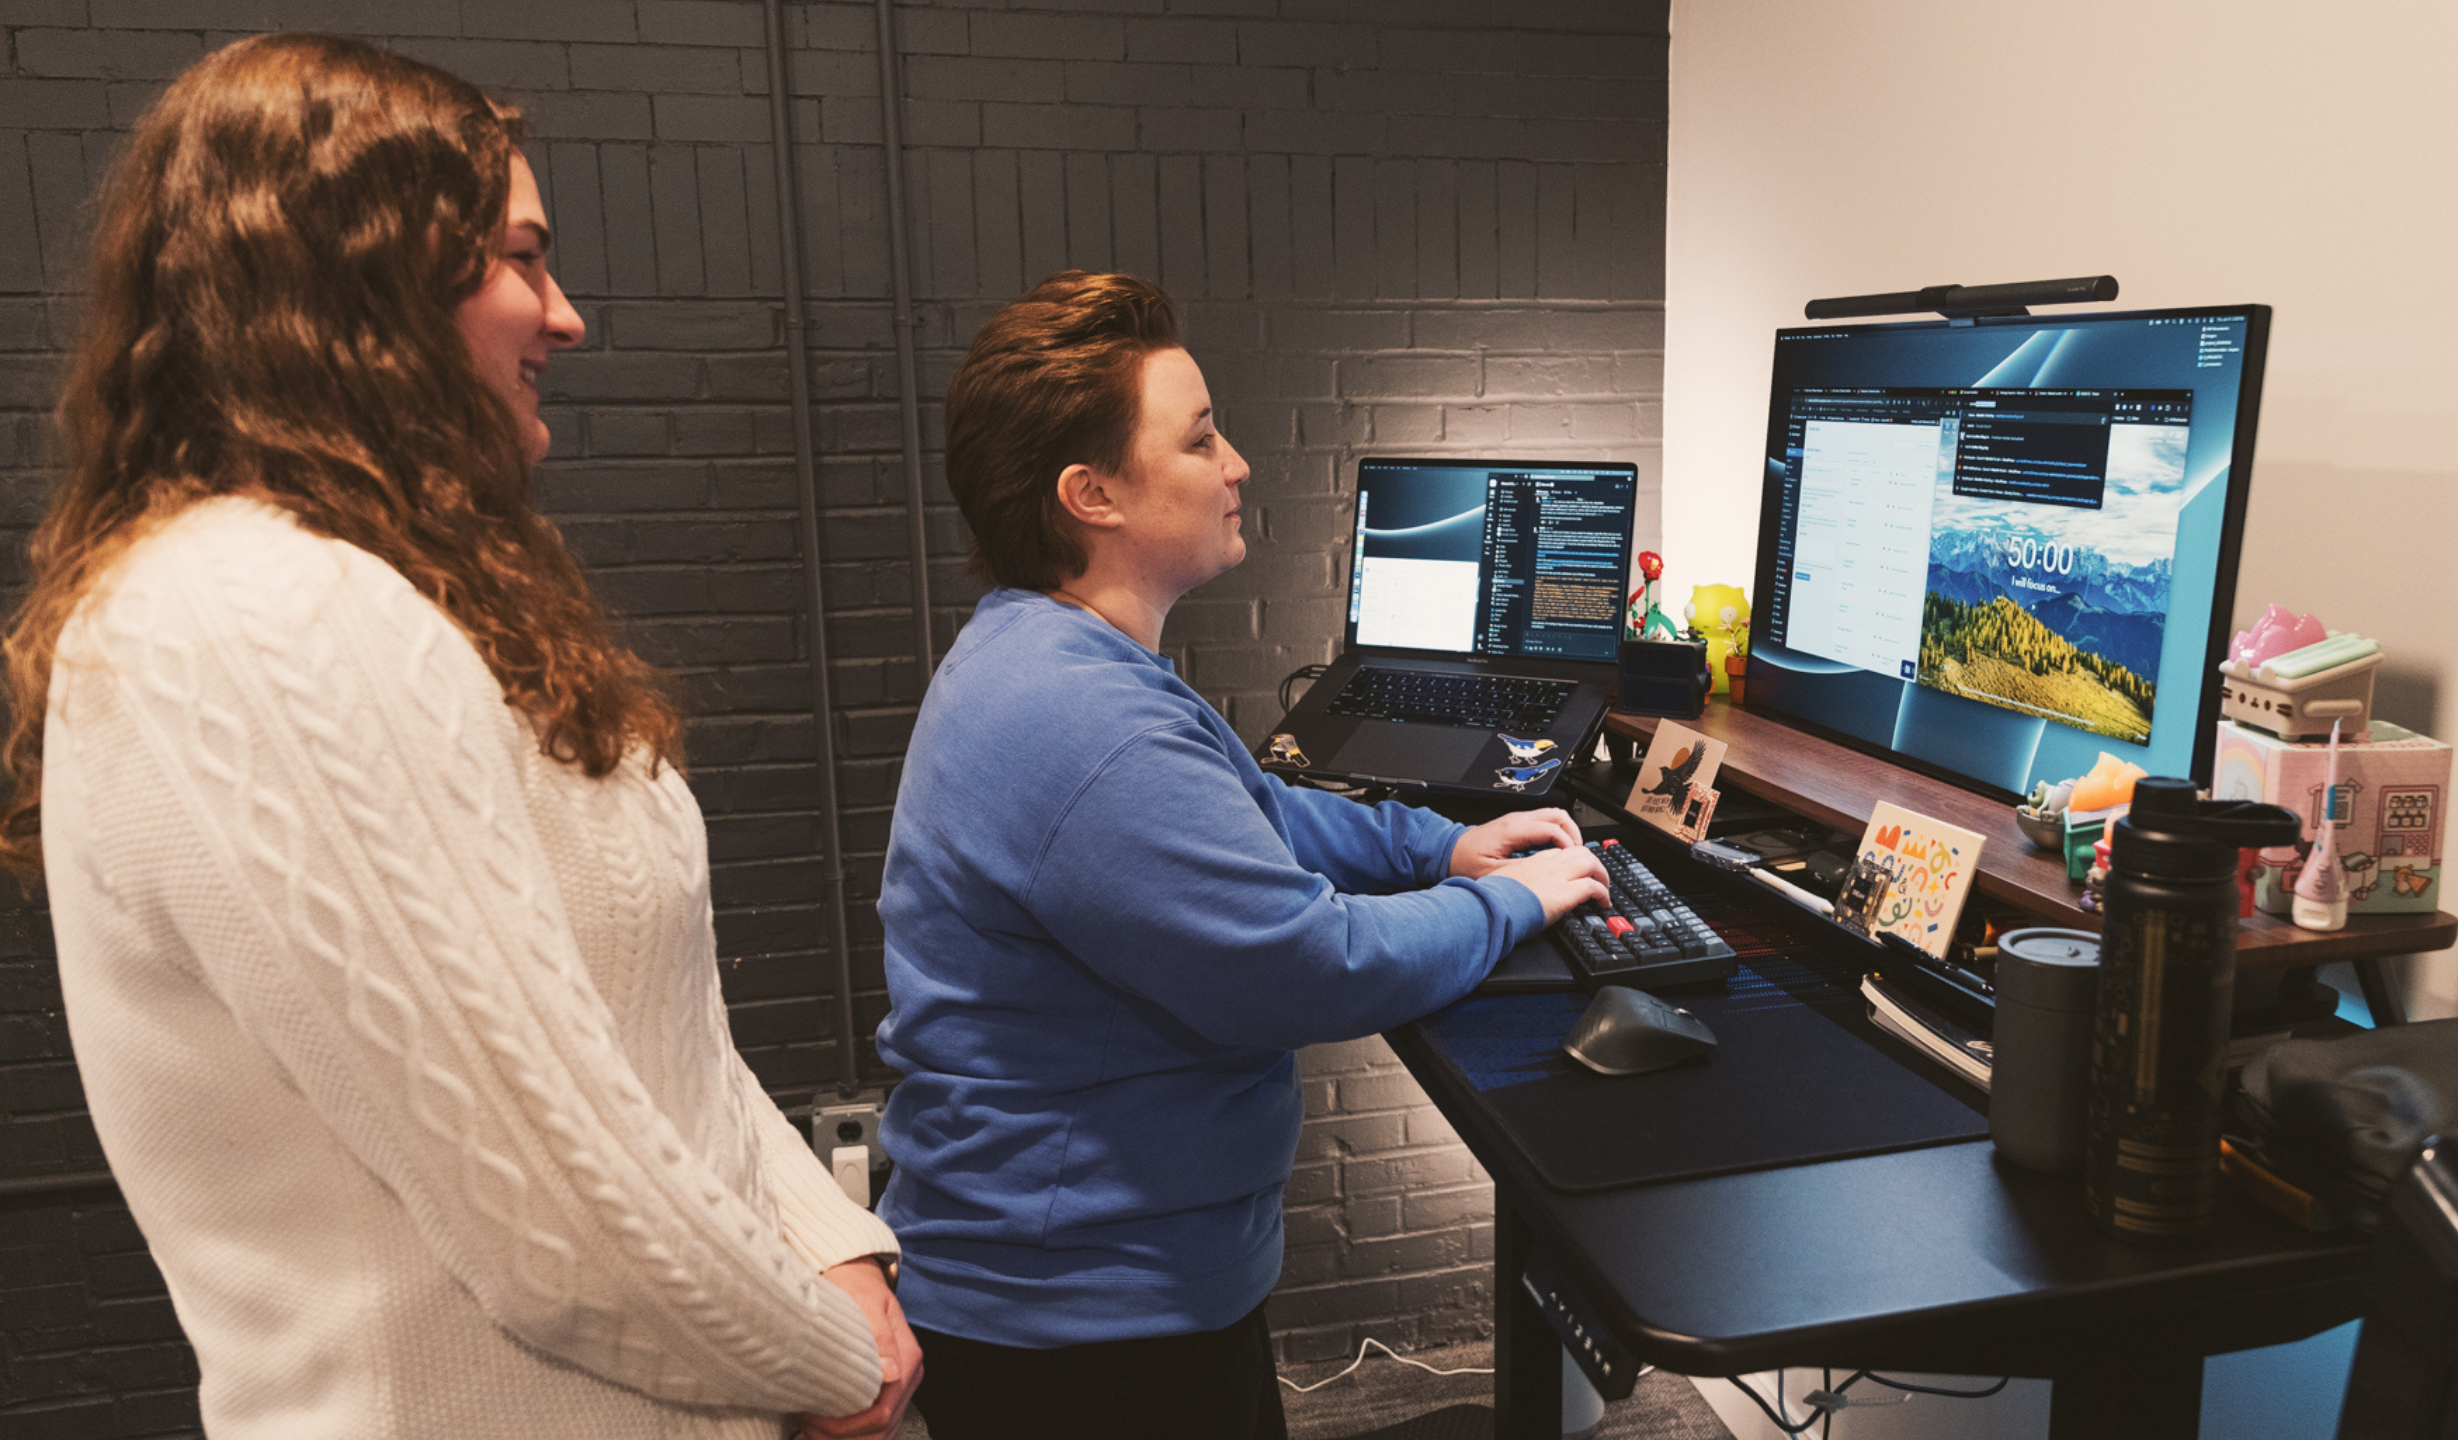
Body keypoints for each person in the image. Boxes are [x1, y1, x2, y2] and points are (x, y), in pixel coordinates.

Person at [0, 34, 917, 1440]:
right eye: (520, 260)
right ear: (361, 275)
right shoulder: (250, 613)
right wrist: (830, 1361)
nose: (566, 317)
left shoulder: (409, 591)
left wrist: (827, 1244)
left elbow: (639, 1023)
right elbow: (554, 1212)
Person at [874, 271, 1611, 1439]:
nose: (1238, 465)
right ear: (1093, 493)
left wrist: (1445, 846)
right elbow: (1304, 966)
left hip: (1095, 1283)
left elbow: (1251, 812)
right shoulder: (1084, 724)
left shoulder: (1054, 656)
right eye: (1203, 438)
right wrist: (1509, 905)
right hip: (1085, 1327)